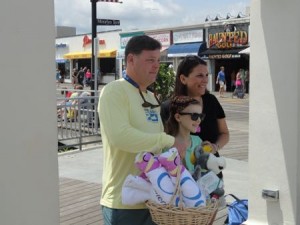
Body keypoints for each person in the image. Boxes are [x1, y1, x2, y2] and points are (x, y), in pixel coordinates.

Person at [98, 35, 184, 225]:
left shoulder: (151, 97)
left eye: (158, 61)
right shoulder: (114, 91)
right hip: (122, 203)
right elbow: (120, 137)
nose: (156, 66)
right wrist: (168, 141)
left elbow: (156, 148)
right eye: (150, 60)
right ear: (130, 60)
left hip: (153, 200)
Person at [161, 55, 229, 179]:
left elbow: (224, 133)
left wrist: (215, 147)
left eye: (206, 75)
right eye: (199, 75)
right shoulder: (168, 107)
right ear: (183, 78)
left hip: (211, 175)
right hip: (179, 178)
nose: (205, 80)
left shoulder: (211, 101)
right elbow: (163, 140)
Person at [165, 95, 205, 172]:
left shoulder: (198, 141)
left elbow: (202, 171)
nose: (199, 120)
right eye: (194, 116)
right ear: (178, 117)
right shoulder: (167, 145)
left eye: (201, 116)